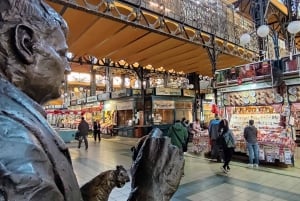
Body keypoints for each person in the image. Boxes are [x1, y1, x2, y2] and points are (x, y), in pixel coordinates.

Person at [0, 0, 83, 200]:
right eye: (62, 54)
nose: (68, 68)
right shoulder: (16, 144)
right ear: (26, 44)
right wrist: (147, 191)